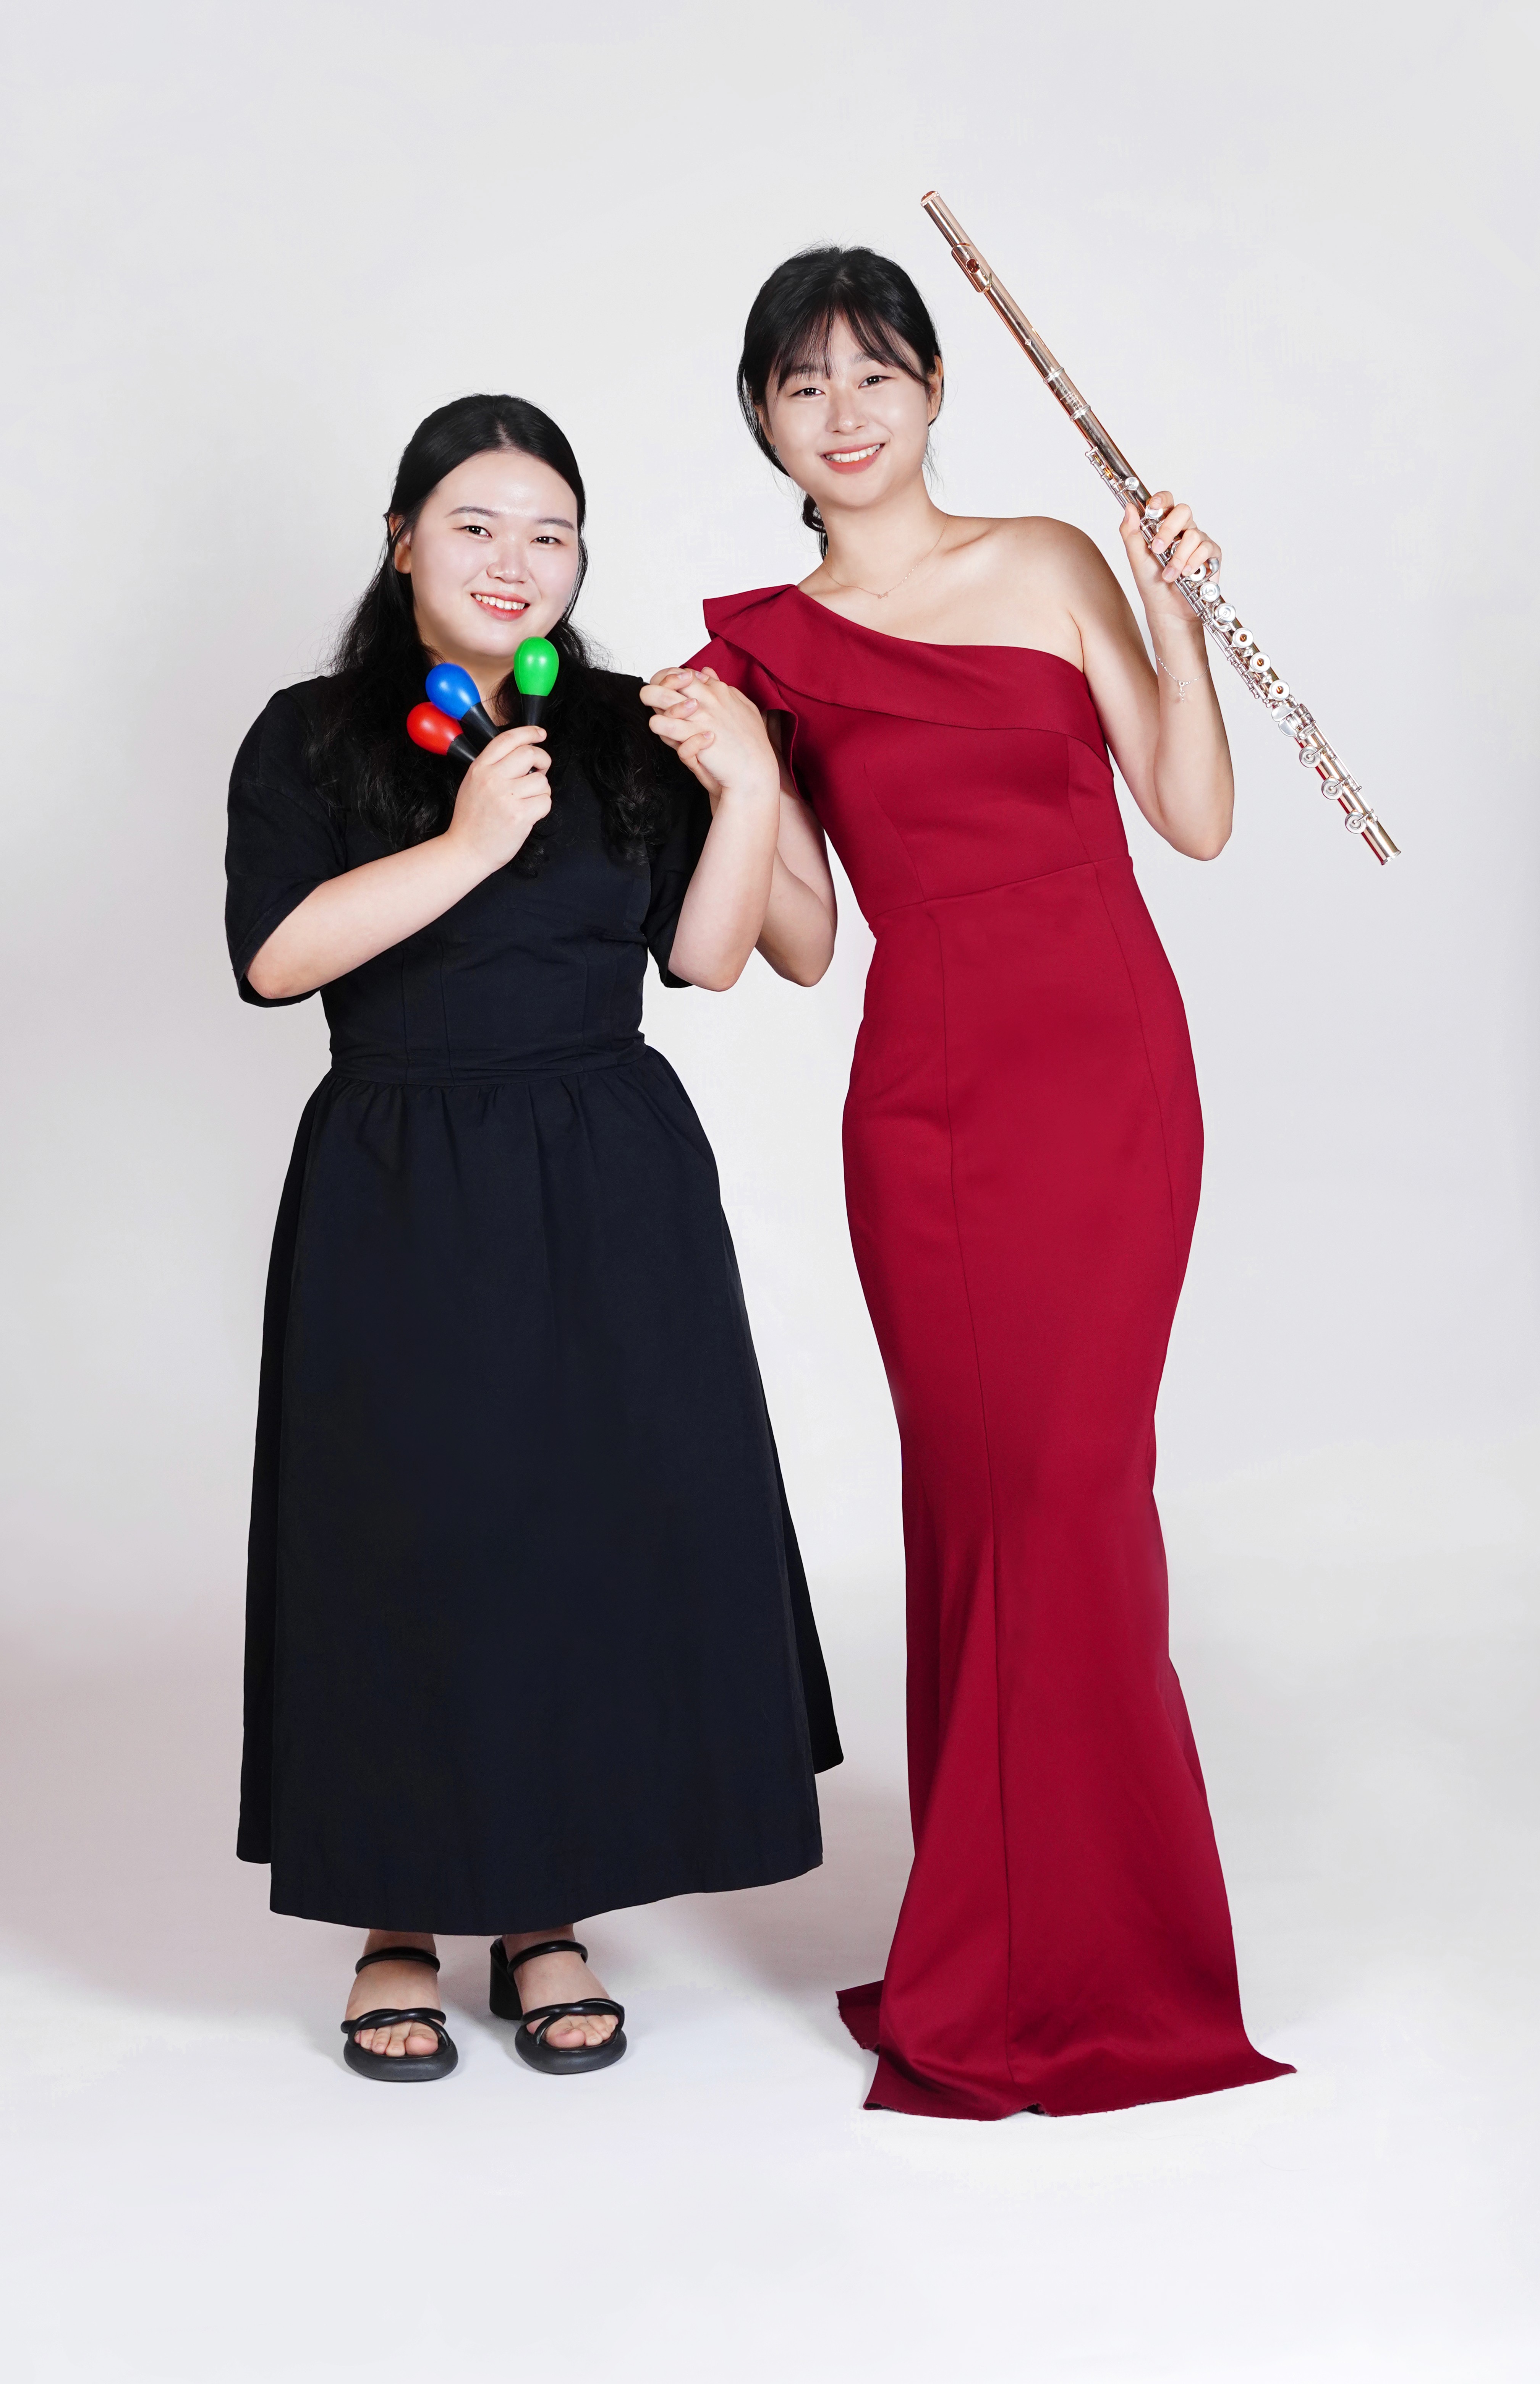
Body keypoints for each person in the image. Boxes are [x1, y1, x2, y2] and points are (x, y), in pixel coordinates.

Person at [644, 246, 1290, 2121]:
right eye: (801, 386)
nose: (843, 415)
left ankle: (1096, 1958)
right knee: (985, 1505)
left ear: (935, 388)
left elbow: (1192, 816)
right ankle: (1010, 1946)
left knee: (1077, 1493)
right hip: (927, 1110)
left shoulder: (1051, 561)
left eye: (875, 375)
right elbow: (794, 946)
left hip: (1107, 1081)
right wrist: (740, 784)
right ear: (760, 419)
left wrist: (1172, 618)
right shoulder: (757, 655)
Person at [226, 394, 840, 2084]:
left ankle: (545, 1909)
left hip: (611, 1171)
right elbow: (276, 958)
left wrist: (746, 787)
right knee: (410, 1535)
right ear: (404, 541)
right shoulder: (312, 736)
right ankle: (397, 1920)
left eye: (550, 534)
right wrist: (468, 844)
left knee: (581, 1531)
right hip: (402, 1177)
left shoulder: (625, 732)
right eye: (478, 526)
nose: (516, 562)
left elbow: (710, 959)